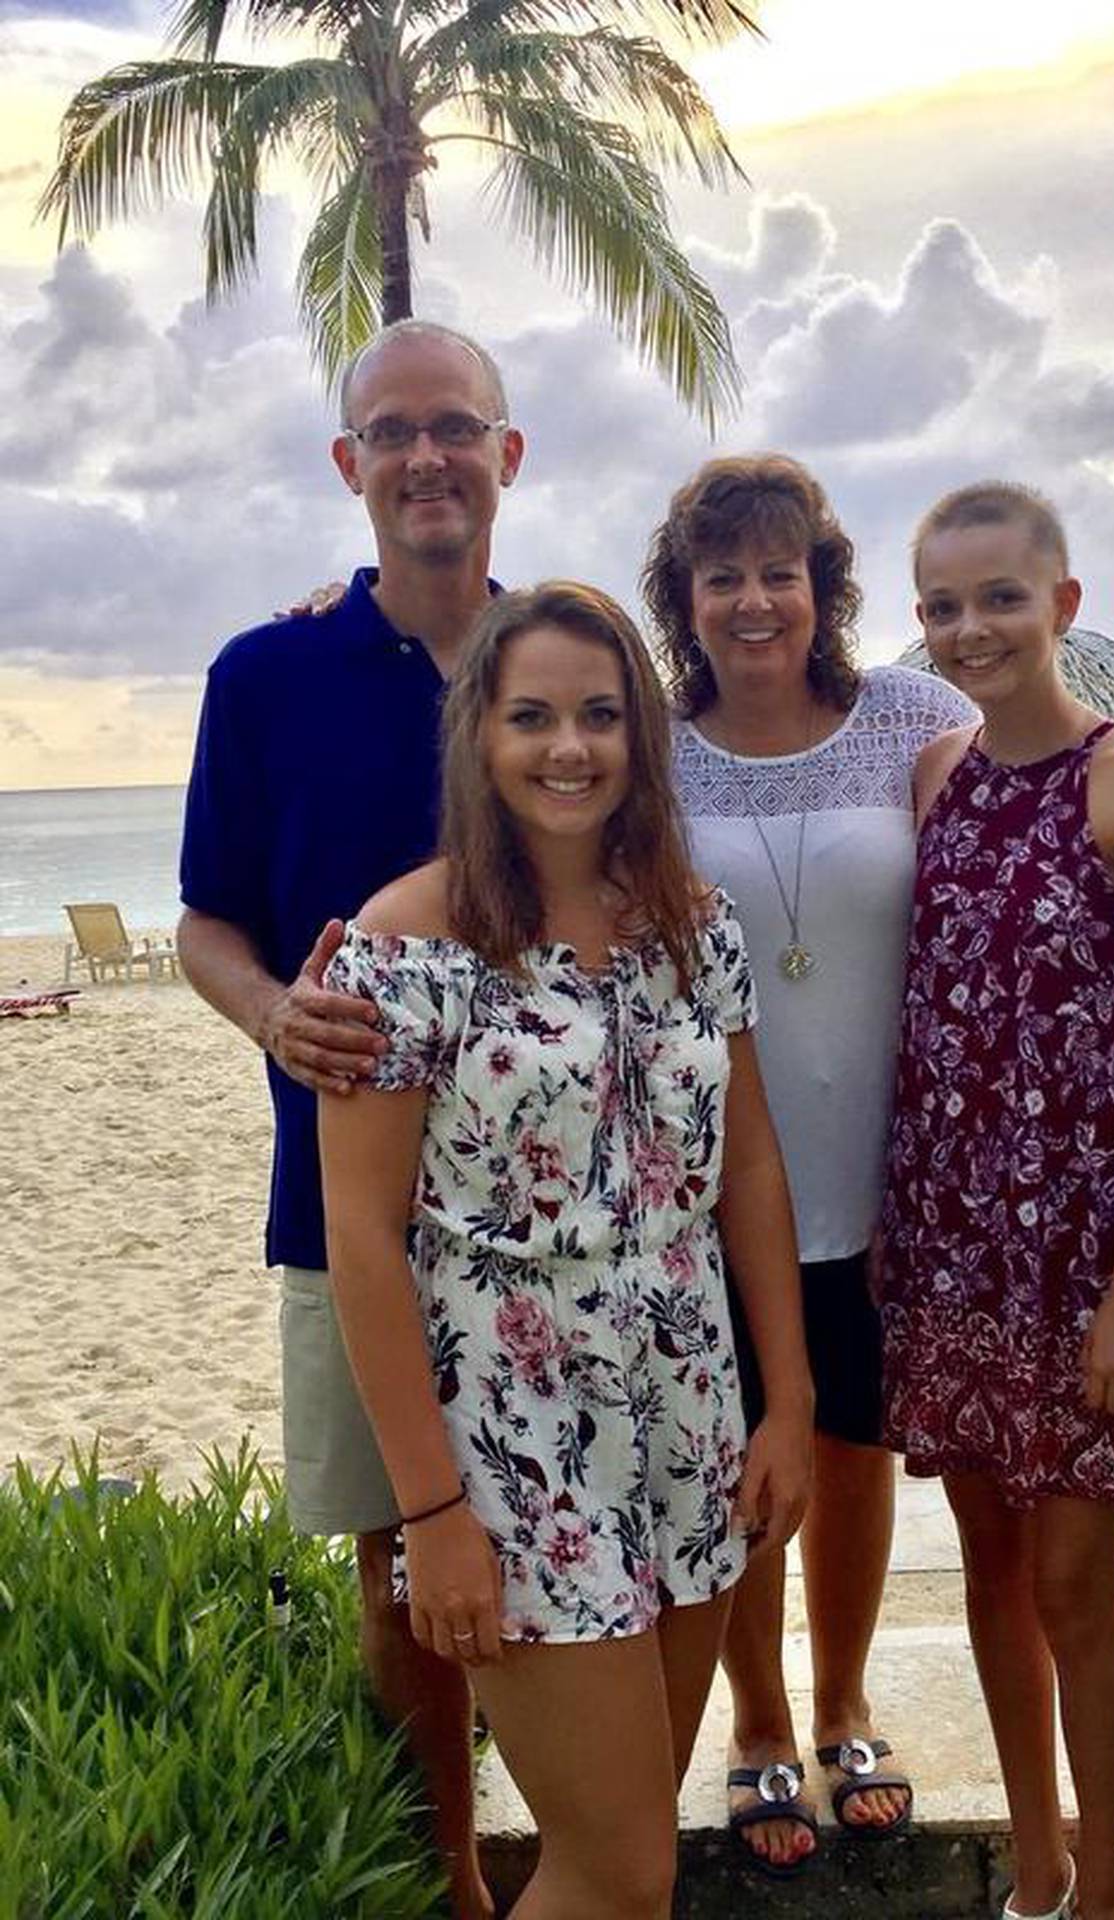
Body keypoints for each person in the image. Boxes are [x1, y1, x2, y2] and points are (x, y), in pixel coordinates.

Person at [639, 455, 1114, 1875]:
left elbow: (1057, 760)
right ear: (687, 599)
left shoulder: (914, 719)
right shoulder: (652, 745)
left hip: (944, 1209)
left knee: (856, 1465)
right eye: (725, 575)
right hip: (757, 1192)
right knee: (752, 1472)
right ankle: (762, 1728)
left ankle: (848, 1713)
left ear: (828, 590)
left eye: (784, 571)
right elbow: (525, 806)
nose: (757, 599)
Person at [317, 582, 812, 1920]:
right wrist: (432, 1516)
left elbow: (750, 1167)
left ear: (639, 738)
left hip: (694, 1415)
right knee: (617, 1874)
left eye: (599, 715)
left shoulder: (692, 923)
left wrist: (792, 1401)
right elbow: (362, 1240)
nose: (568, 747)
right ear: (479, 735)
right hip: (515, 1451)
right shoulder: (402, 947)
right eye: (531, 715)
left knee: (634, 1845)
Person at [177, 319, 523, 1918]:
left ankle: (599, 1844)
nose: (427, 456)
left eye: (457, 426)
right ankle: (451, 1878)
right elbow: (208, 923)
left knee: (589, 1526)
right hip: (348, 1207)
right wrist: (269, 1011)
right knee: (398, 1558)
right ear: (350, 466)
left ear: (508, 455)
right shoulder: (264, 674)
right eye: (393, 432)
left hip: (564, 1210)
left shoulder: (572, 664)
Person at [878, 483, 1114, 1920]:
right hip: (952, 1243)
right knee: (993, 1577)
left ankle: (1108, 1889)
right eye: (944, 606)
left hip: (1089, 1254)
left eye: (1002, 598)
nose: (972, 629)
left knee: (1077, 1587)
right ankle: (1033, 1869)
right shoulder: (932, 772)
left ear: (1063, 606)